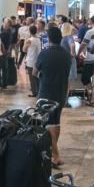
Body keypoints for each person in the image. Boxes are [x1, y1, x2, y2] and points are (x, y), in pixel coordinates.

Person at [35, 27, 73, 167]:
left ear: (49, 38)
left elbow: (34, 71)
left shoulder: (44, 53)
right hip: (61, 93)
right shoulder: (66, 55)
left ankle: (54, 155)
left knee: (47, 124)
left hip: (45, 93)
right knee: (56, 123)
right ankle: (52, 151)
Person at [24, 25, 42, 97]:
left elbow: (24, 50)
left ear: (30, 31)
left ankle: (34, 92)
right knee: (37, 77)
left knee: (32, 78)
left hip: (31, 61)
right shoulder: (38, 39)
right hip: (38, 60)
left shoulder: (29, 40)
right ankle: (38, 91)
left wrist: (25, 43)